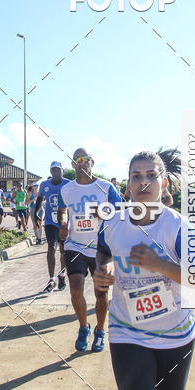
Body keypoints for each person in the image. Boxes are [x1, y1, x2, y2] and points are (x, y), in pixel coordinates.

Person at [93, 148, 195, 390]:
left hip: (175, 335)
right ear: (128, 183)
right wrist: (102, 273)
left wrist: (157, 264)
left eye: (149, 176)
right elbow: (103, 250)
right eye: (135, 176)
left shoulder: (178, 227)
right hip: (127, 332)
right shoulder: (114, 222)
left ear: (163, 182)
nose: (142, 183)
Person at [57, 148, 121, 352]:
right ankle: (83, 327)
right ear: (73, 165)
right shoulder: (66, 189)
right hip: (75, 245)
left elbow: (120, 214)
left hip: (101, 248)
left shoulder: (106, 187)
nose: (82, 162)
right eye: (77, 160)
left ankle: (100, 331)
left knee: (100, 294)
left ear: (92, 162)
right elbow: (62, 211)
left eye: (85, 159)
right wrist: (64, 223)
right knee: (75, 290)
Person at [35, 161, 70, 292]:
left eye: (58, 170)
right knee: (51, 249)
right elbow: (39, 199)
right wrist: (36, 216)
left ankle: (62, 275)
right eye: (53, 170)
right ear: (50, 172)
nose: (56, 172)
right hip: (50, 222)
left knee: (63, 251)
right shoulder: (45, 184)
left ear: (62, 171)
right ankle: (51, 279)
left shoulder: (68, 184)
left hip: (64, 223)